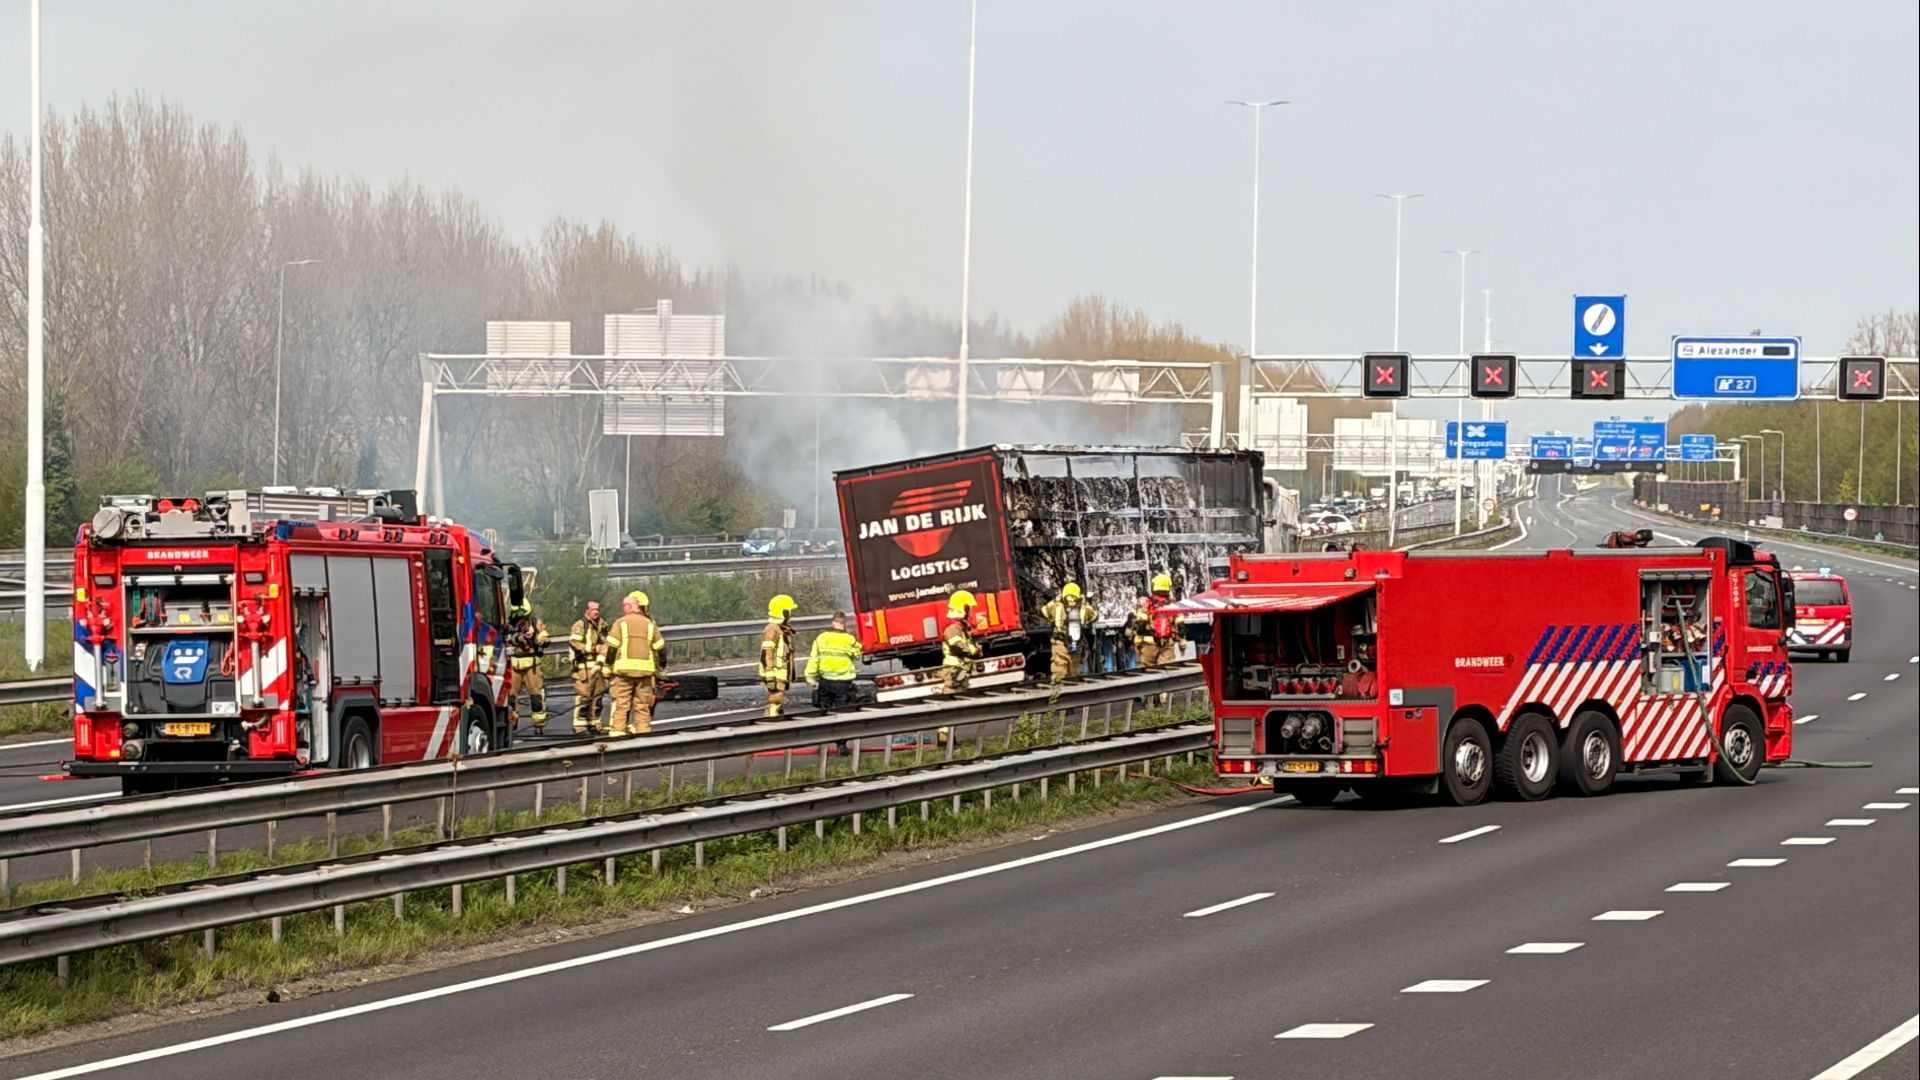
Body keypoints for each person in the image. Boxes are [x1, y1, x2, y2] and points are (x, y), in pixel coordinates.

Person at [605, 591, 666, 736]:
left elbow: (612, 647)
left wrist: (608, 666)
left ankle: (618, 733)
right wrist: (662, 667)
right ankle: (643, 734)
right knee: (642, 706)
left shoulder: (620, 623)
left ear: (628, 607)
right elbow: (660, 647)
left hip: (624, 672)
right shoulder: (649, 624)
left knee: (622, 704)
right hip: (645, 673)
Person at [1039, 582, 1097, 684]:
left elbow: (1043, 611)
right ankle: (1074, 693)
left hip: (1060, 643)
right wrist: (1085, 604)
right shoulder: (1084, 608)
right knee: (1075, 670)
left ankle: (1059, 693)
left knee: (1059, 670)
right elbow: (1094, 616)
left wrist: (1056, 601)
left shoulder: (1056, 606)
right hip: (1076, 643)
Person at [567, 599, 610, 734]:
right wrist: (592, 648)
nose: (596, 612)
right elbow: (574, 642)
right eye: (593, 609)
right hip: (584, 668)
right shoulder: (580, 625)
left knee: (597, 698)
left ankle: (594, 724)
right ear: (587, 610)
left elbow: (608, 642)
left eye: (597, 609)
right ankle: (580, 727)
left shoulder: (602, 625)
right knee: (584, 697)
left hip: (598, 667)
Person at [507, 601, 550, 733]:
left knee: (536, 697)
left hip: (532, 667)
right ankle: (512, 723)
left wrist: (535, 638)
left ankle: (539, 724)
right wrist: (517, 637)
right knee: (511, 699)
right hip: (514, 667)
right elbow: (504, 638)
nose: (521, 620)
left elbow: (546, 640)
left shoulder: (536, 623)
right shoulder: (510, 624)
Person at [806, 611, 862, 711]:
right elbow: (858, 654)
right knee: (843, 710)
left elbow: (814, 659)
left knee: (825, 711)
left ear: (833, 623)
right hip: (844, 681)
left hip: (825, 680)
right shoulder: (849, 639)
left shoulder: (821, 638)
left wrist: (811, 679)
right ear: (845, 624)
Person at [1127, 573, 1183, 668]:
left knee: (1147, 671)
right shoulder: (1172, 604)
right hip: (1167, 645)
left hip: (1149, 645)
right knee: (1168, 671)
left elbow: (1141, 624)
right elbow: (1180, 624)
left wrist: (1137, 641)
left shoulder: (1148, 603)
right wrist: (1182, 642)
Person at [760, 594, 798, 717]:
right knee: (775, 700)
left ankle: (777, 719)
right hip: (775, 673)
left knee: (778, 701)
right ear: (784, 612)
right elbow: (767, 653)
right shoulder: (773, 630)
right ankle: (771, 722)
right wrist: (770, 676)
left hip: (780, 673)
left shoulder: (780, 629)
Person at [939, 590, 982, 695]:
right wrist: (975, 650)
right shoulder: (953, 629)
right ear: (964, 609)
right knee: (953, 696)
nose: (970, 612)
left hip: (960, 670)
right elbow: (958, 647)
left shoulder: (960, 629)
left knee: (960, 694)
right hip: (954, 670)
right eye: (969, 609)